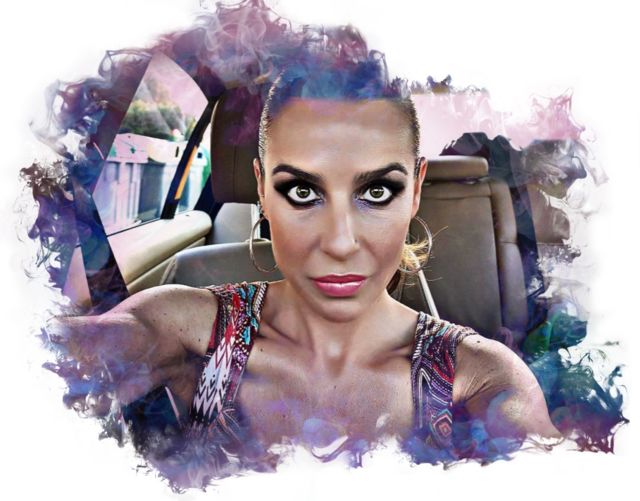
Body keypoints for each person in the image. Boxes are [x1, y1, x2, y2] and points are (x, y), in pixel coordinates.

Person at [46, 49, 562, 480]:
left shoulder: (480, 379)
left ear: (416, 190)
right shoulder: (187, 331)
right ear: (262, 190)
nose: (339, 243)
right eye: (301, 191)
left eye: (377, 192)